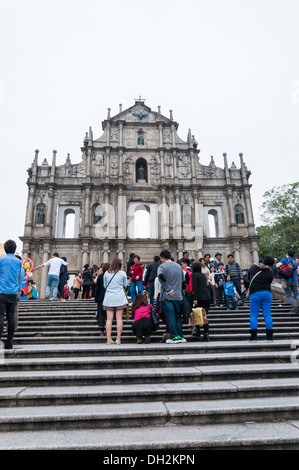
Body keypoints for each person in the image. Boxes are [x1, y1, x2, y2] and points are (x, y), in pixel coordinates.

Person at [0, 240, 24, 349]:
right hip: (13, 292)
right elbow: (19, 277)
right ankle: (9, 341)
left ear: (5, 249)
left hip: (2, 291)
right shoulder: (18, 262)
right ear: (15, 249)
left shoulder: (1, 260)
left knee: (1, 316)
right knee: (10, 317)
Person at [158, 250, 186, 344]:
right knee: (178, 316)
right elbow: (183, 281)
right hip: (178, 296)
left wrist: (168, 289)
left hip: (168, 296)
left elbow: (160, 277)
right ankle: (180, 336)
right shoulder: (178, 266)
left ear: (162, 258)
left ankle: (173, 336)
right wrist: (180, 291)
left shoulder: (162, 266)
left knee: (170, 316)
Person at [248, 256, 275, 342]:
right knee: (267, 315)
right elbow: (270, 281)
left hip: (255, 293)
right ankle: (269, 338)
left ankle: (253, 338)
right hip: (267, 293)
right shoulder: (270, 272)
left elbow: (248, 278)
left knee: (254, 315)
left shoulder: (253, 267)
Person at [103, 258, 127, 344]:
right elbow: (125, 285)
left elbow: (105, 285)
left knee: (109, 319)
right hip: (120, 297)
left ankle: (109, 339)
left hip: (109, 298)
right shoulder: (123, 273)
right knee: (119, 318)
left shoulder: (106, 273)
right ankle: (118, 339)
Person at [191, 261, 211, 341]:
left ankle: (198, 330)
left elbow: (195, 287)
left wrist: (195, 298)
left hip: (200, 297)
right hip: (206, 297)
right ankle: (206, 333)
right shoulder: (202, 275)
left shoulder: (194, 275)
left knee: (197, 315)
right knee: (204, 315)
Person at [94, 263, 110, 336]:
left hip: (101, 297)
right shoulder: (110, 276)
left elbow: (97, 289)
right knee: (108, 315)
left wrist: (96, 299)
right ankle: (107, 330)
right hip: (109, 297)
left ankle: (102, 330)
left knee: (101, 314)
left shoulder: (100, 276)